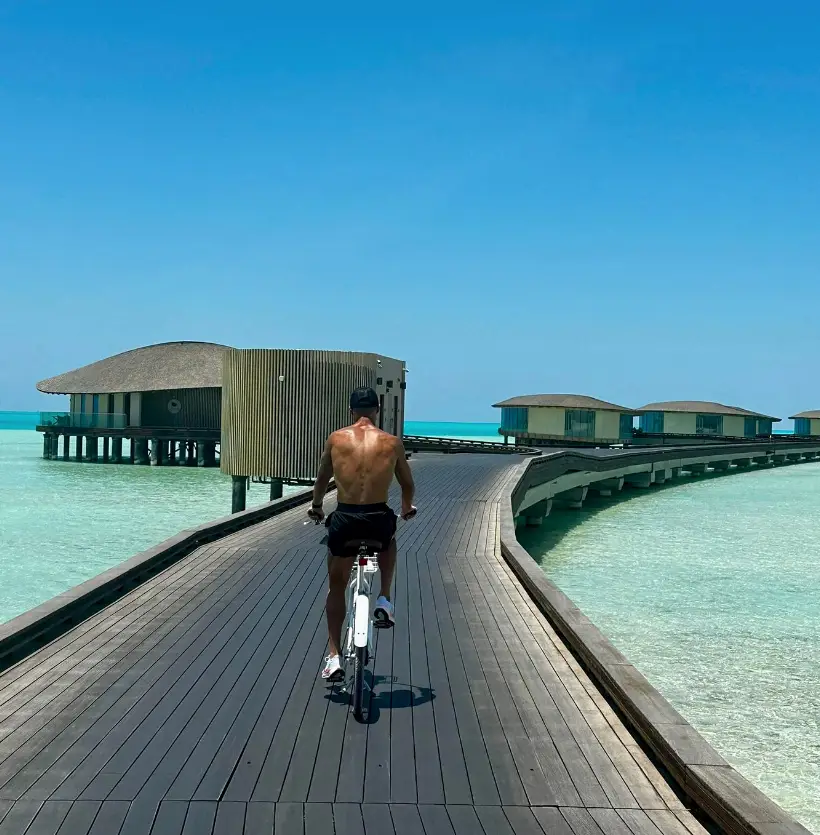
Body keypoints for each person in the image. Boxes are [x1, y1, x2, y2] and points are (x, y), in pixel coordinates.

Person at [308, 386, 416, 681]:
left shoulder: (337, 439)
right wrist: (406, 507)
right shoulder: (391, 442)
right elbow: (407, 483)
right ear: (377, 410)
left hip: (346, 518)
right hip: (377, 518)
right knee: (389, 538)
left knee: (337, 585)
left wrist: (317, 506)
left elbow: (322, 479)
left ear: (351, 410)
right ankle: (383, 597)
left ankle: (333, 656)